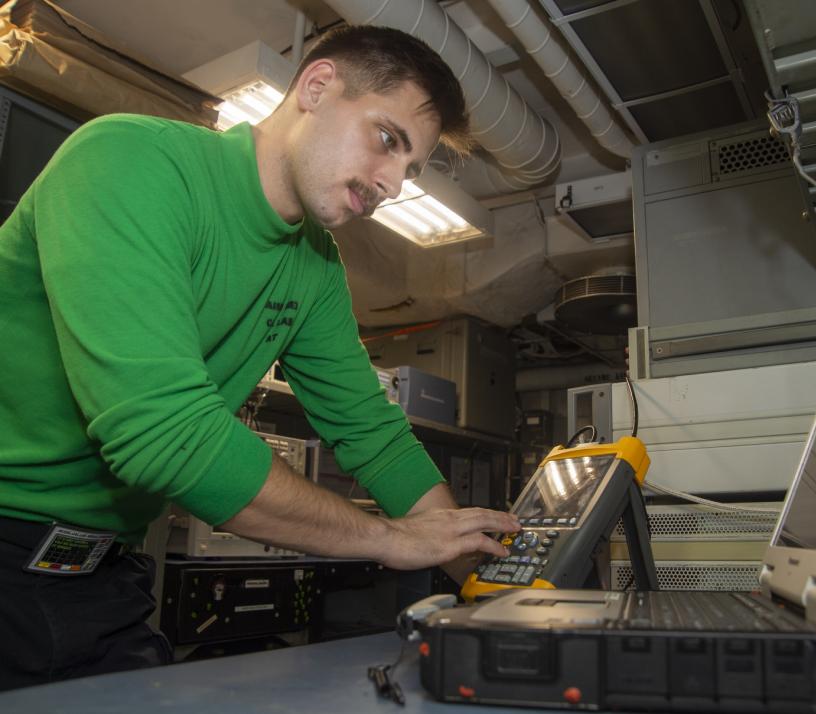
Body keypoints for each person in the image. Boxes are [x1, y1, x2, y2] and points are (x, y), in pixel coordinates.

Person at [0, 25, 520, 690]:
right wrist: (391, 539)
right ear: (317, 87)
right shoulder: (129, 160)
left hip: (106, 578)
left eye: (410, 169)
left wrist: (487, 584)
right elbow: (163, 435)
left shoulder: (317, 266)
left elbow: (374, 436)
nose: (392, 182)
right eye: (387, 140)